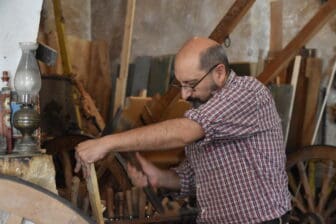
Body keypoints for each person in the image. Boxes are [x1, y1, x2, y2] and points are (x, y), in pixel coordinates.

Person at [75, 37, 291, 223]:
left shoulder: (247, 93)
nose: (185, 95)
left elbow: (184, 132)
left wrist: (107, 143)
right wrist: (157, 176)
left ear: (219, 72)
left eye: (191, 84)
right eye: (181, 85)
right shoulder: (207, 108)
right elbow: (192, 178)